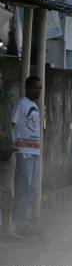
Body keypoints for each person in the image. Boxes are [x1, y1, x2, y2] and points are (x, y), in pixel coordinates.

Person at [11, 76, 42, 236]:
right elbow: (12, 124)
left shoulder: (34, 106)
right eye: (36, 88)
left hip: (34, 152)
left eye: (40, 88)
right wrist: (14, 146)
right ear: (27, 88)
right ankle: (20, 223)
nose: (38, 91)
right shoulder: (21, 104)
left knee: (32, 189)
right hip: (24, 153)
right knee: (24, 188)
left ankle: (25, 221)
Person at [0, 70, 20, 239]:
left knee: (7, 191)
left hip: (6, 150)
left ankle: (7, 227)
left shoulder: (7, 98)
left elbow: (10, 124)